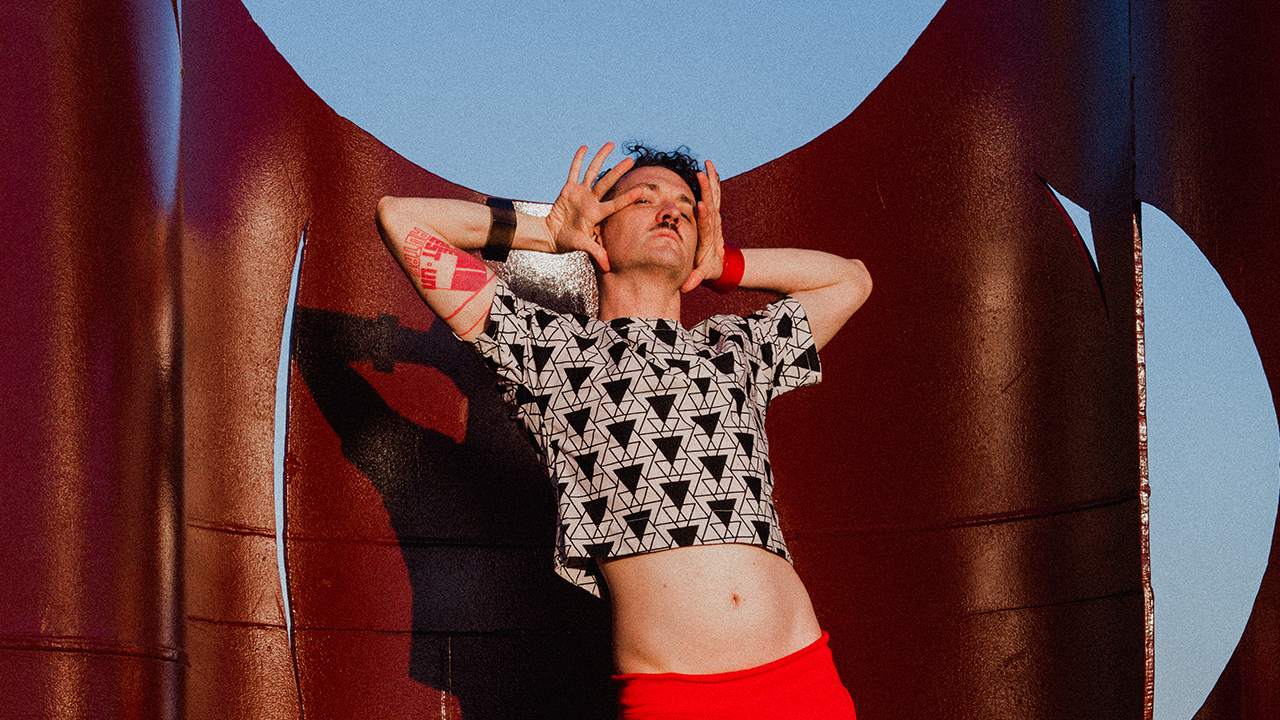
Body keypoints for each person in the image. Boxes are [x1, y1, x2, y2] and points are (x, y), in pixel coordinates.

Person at [376, 143, 871, 719]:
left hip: (803, 681)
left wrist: (723, 264)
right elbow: (400, 217)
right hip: (674, 700)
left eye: (687, 206)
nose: (672, 212)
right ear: (600, 231)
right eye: (644, 198)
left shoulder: (736, 349)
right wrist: (549, 232)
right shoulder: (548, 351)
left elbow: (850, 281)